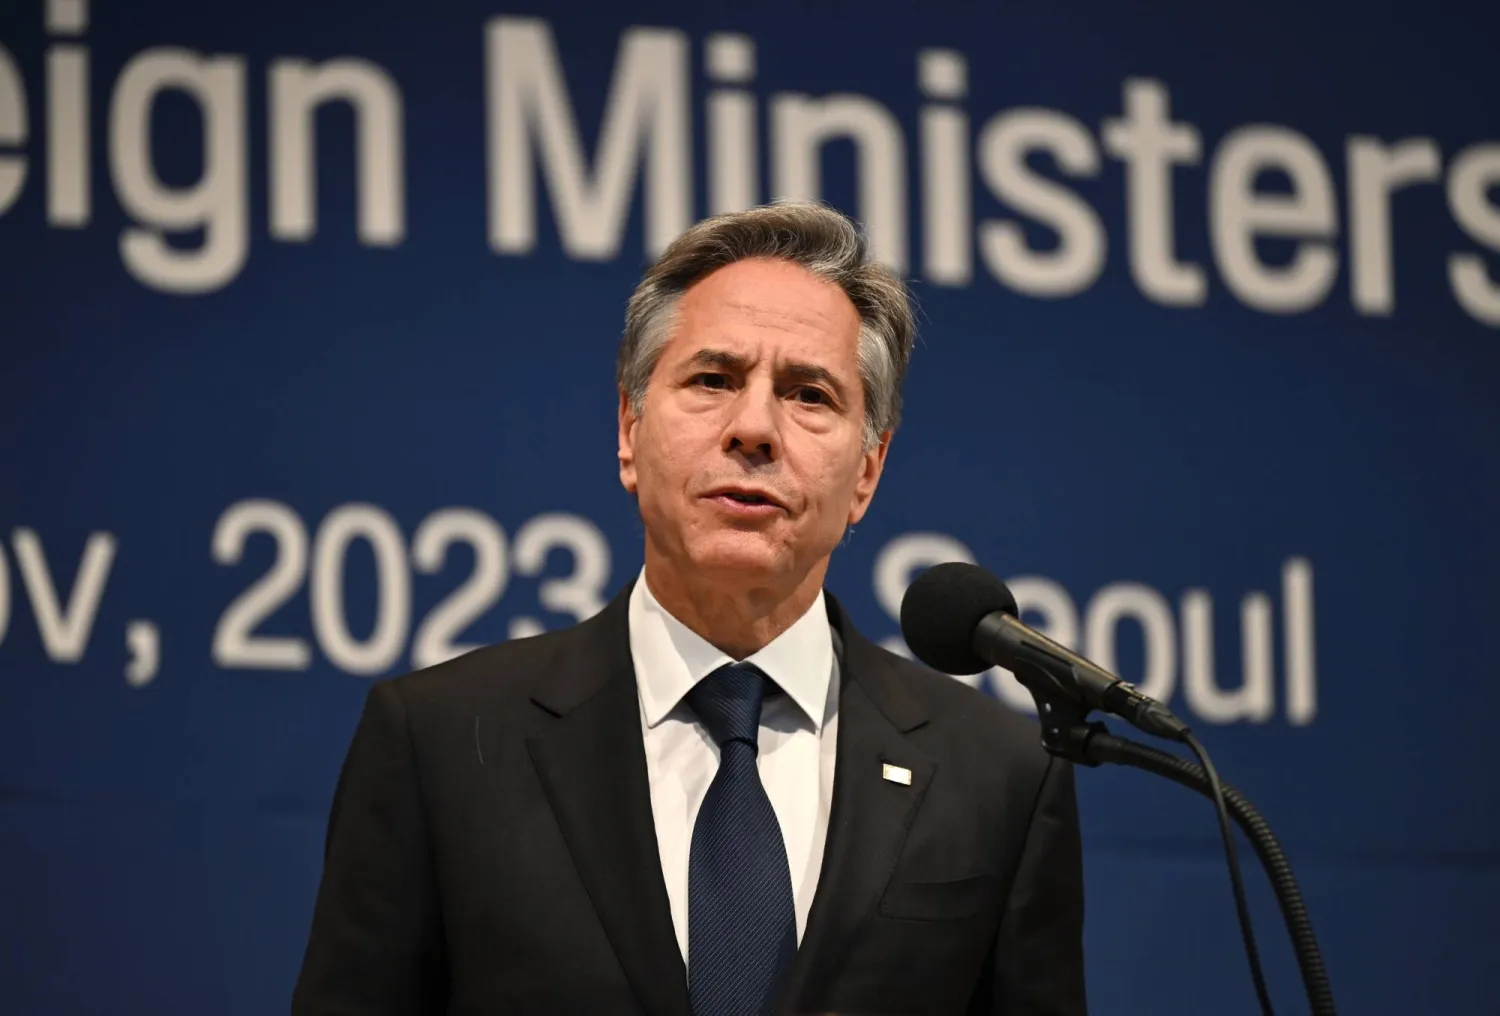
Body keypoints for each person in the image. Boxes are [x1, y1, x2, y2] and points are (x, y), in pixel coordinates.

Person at [292, 201, 1086, 1016]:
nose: (755, 429)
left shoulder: (998, 777)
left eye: (809, 394)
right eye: (713, 380)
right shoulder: (442, 741)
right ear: (630, 432)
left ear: (867, 475)